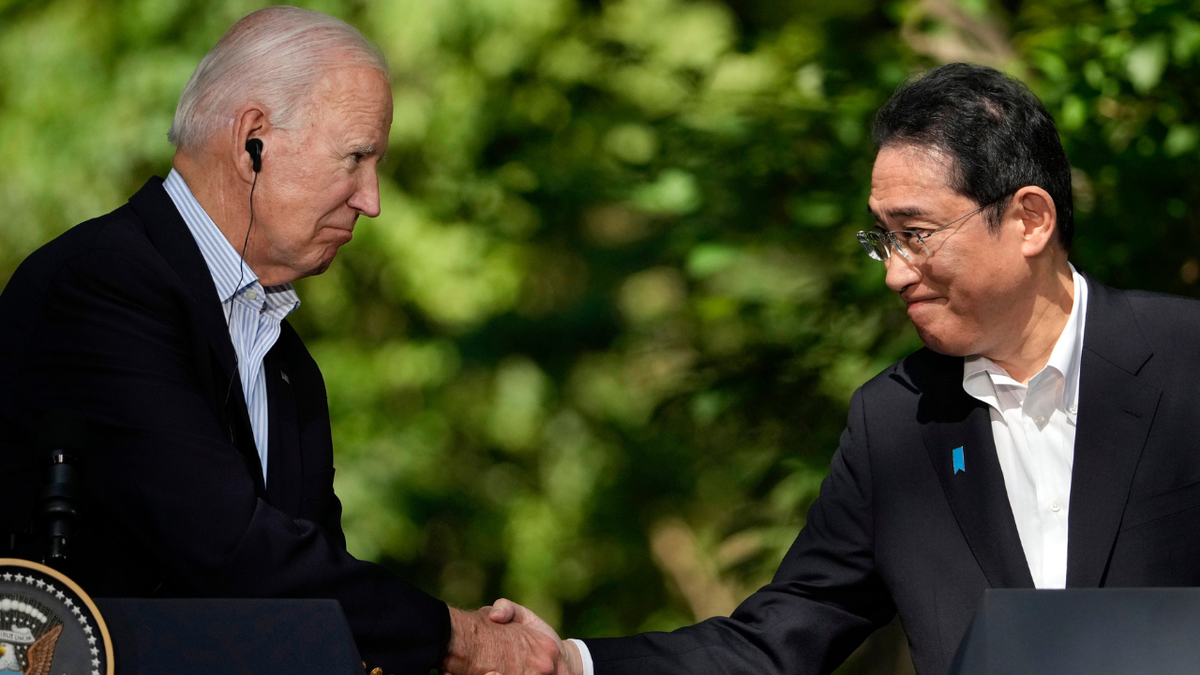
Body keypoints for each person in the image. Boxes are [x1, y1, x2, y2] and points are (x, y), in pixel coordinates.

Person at [487, 62, 1200, 675]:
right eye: (882, 239)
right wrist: (573, 663)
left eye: (915, 235)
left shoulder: (1185, 359)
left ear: (1030, 219)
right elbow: (776, 642)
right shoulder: (895, 421)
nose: (895, 273)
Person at [0, 7, 559, 675]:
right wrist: (460, 638)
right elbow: (226, 549)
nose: (372, 199)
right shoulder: (99, 286)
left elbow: (314, 616)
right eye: (356, 157)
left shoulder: (288, 365)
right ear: (252, 142)